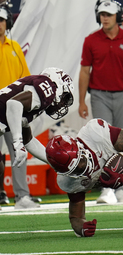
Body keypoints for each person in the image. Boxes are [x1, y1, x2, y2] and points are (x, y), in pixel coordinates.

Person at [78, 0, 123, 203]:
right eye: (102, 14)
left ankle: (121, 187)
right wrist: (82, 100)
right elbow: (84, 72)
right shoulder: (91, 40)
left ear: (118, 16)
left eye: (109, 14)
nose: (105, 18)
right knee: (103, 141)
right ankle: (106, 189)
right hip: (99, 95)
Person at [0, 67, 74, 209]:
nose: (63, 104)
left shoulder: (37, 99)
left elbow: (29, 141)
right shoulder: (48, 87)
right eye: (65, 97)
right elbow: (13, 104)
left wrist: (56, 164)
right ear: (59, 86)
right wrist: (17, 142)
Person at [0, 2, 36, 209]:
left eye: (1, 20)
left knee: (18, 150)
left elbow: (25, 79)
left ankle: (22, 196)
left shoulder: (15, 47)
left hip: (12, 107)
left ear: (8, 22)